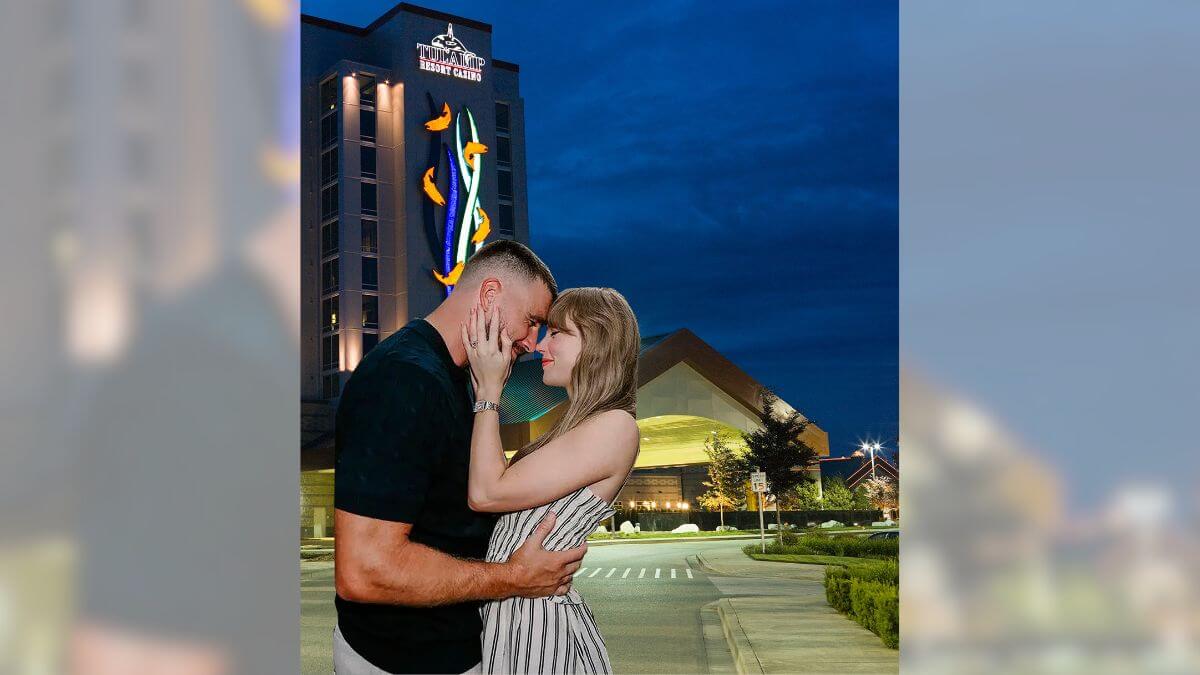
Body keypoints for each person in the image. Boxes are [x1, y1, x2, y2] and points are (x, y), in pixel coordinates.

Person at [332, 241, 587, 674]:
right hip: (402, 661)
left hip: (442, 650)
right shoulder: (405, 378)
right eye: (531, 322)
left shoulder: (455, 377)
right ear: (489, 295)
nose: (532, 341)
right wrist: (514, 578)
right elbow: (365, 570)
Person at [462, 287, 641, 674]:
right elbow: (495, 483)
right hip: (516, 616)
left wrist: (490, 391)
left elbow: (486, 492)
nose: (542, 343)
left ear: (597, 340)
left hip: (538, 625)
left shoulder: (615, 426)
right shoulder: (577, 427)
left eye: (557, 332)